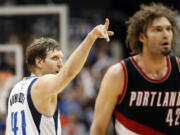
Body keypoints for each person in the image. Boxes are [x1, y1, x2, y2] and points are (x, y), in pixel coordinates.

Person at [5, 18, 113, 135]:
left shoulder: (15, 89)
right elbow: (68, 73)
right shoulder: (41, 84)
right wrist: (91, 37)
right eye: (55, 58)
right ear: (39, 62)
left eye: (61, 58)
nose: (61, 64)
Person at [90, 3, 180, 135]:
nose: (166, 34)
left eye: (168, 29)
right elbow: (98, 129)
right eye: (158, 30)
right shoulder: (119, 74)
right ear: (142, 37)